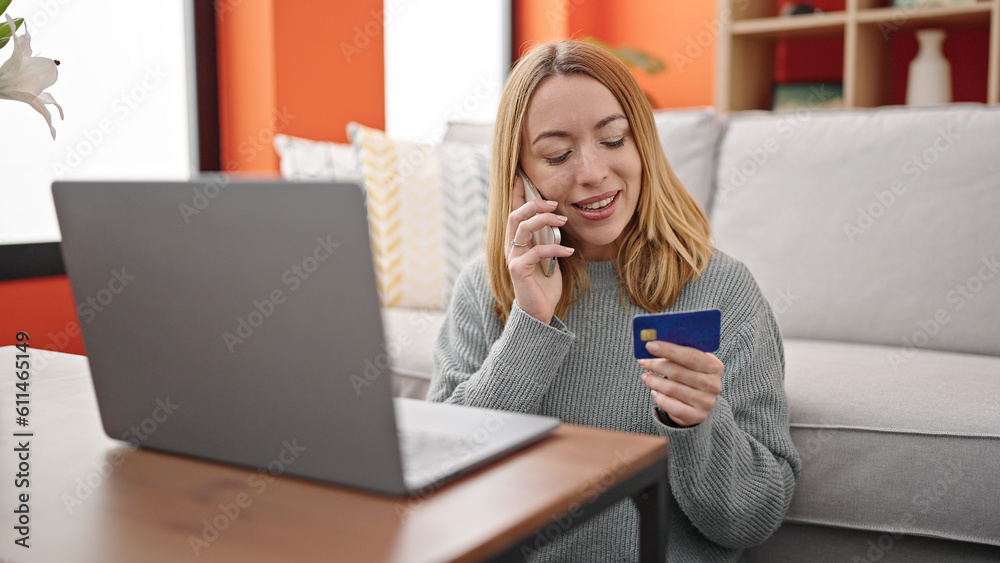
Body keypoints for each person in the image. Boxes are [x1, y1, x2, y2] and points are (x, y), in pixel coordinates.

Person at [427, 40, 800, 562]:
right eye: (558, 154)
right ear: (520, 179)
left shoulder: (724, 291)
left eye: (613, 139)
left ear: (641, 144)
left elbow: (751, 520)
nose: (593, 172)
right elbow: (440, 486)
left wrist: (696, 426)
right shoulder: (485, 289)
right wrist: (530, 322)